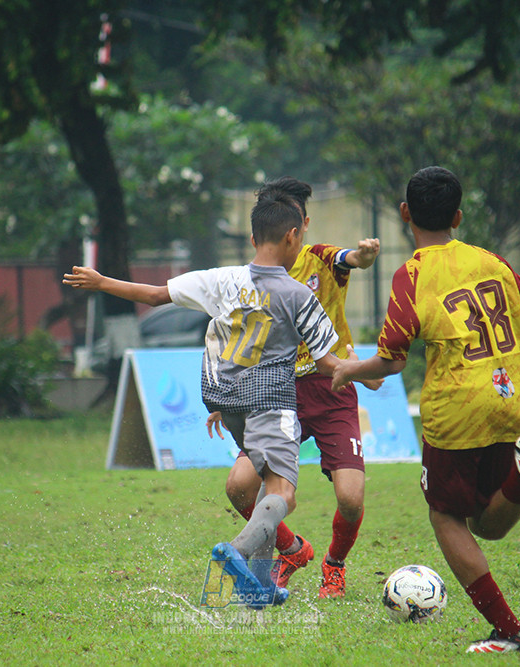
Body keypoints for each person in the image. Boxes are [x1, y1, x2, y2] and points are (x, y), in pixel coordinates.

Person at [331, 166, 520, 653]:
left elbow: (390, 360)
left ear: (406, 214)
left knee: (446, 518)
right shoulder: (490, 260)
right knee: (486, 527)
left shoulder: (411, 275)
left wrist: (347, 369)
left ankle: (510, 631)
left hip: (458, 414)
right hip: (515, 405)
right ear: (458, 215)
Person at [63, 192, 345, 607]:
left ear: (252, 239)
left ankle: (260, 588)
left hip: (224, 399)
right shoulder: (299, 294)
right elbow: (326, 362)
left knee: (265, 485)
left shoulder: (220, 279)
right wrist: (371, 367)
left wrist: (102, 282)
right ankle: (237, 552)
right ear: (291, 237)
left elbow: (156, 295)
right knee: (283, 494)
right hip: (271, 401)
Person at [215, 176, 382, 599]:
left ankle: (334, 566)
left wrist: (362, 256)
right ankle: (290, 549)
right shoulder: (250, 279)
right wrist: (225, 398)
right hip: (275, 394)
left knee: (350, 496)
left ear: (301, 226)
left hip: (331, 390)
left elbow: (348, 258)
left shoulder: (322, 260)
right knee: (238, 486)